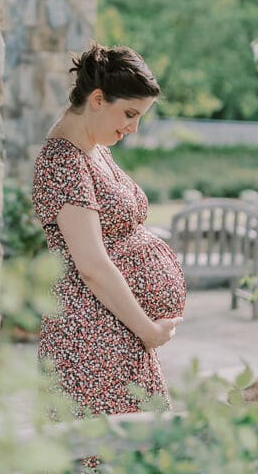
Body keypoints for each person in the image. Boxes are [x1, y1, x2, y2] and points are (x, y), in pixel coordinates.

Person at [32, 43, 185, 417]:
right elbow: (92, 266)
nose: (133, 128)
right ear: (98, 99)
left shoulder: (95, 149)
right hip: (90, 340)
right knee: (104, 460)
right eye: (129, 113)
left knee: (138, 455)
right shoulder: (63, 162)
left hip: (116, 331)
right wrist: (148, 330)